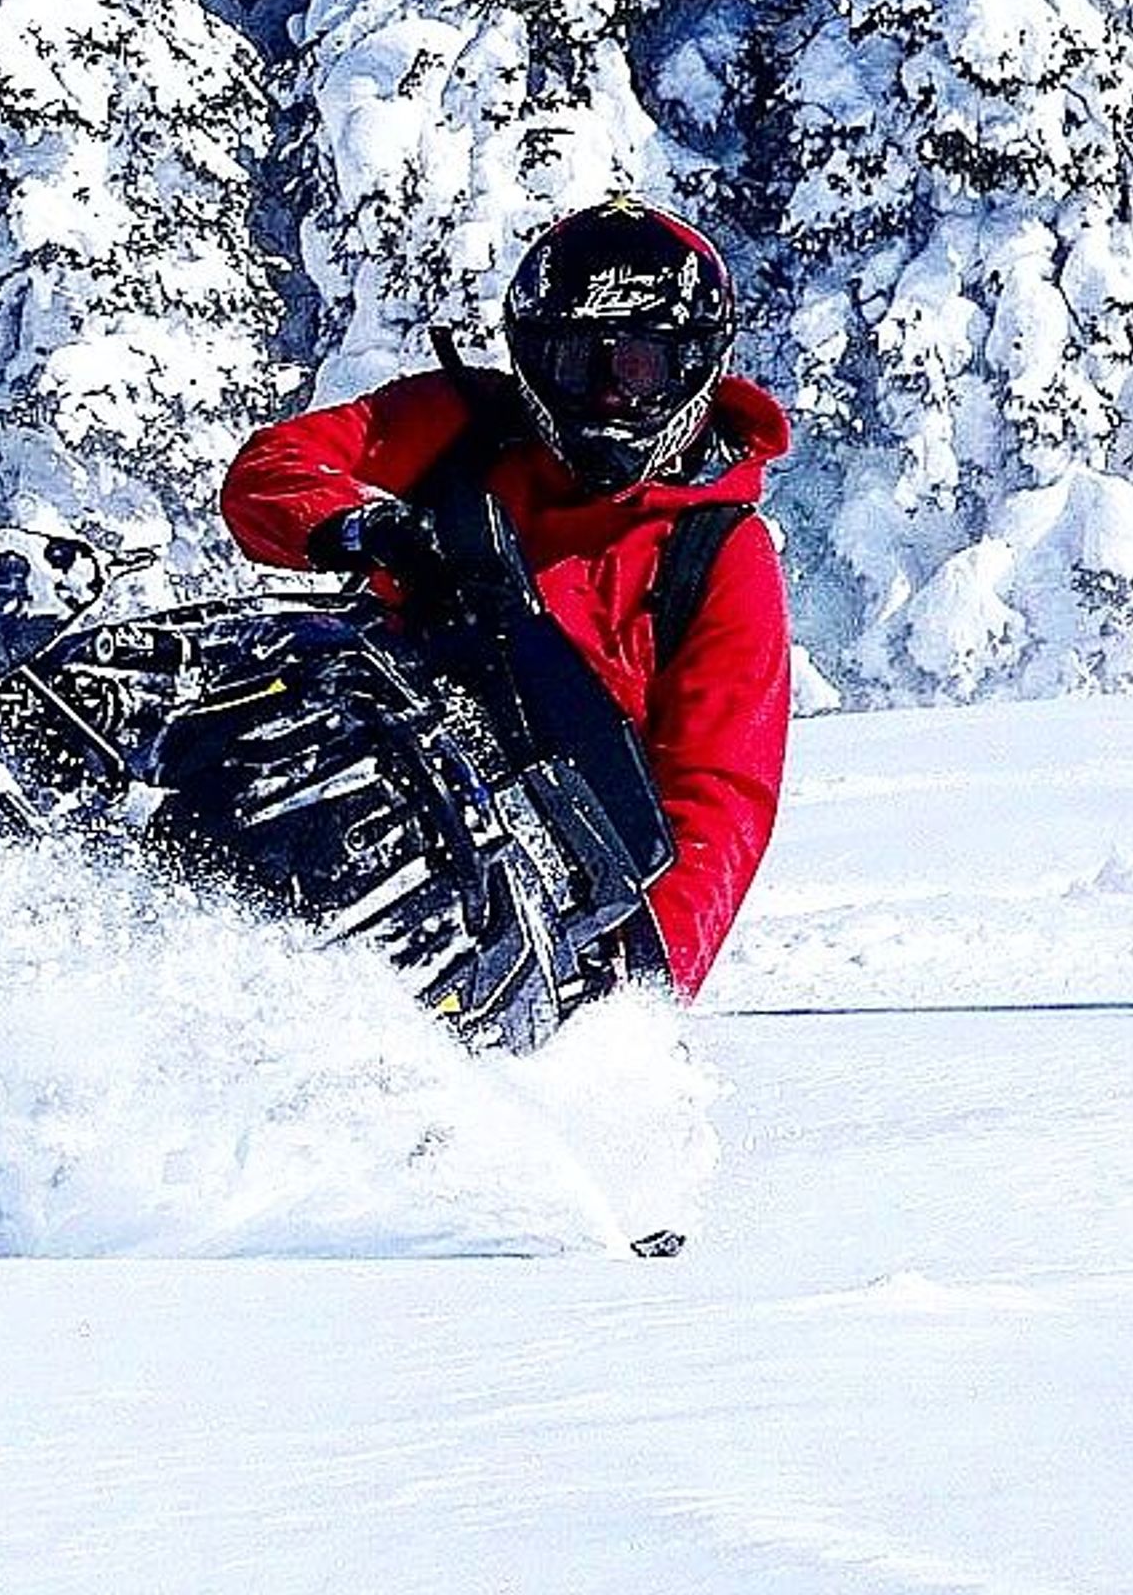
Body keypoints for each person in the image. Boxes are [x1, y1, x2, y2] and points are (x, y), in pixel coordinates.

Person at [218, 199, 794, 997]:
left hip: (516, 898)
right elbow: (273, 469)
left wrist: (638, 992)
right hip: (340, 764)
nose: (605, 398)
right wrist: (360, 526)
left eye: (635, 369)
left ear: (693, 367)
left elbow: (721, 792)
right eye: (572, 363)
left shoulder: (718, 553)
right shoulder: (461, 426)